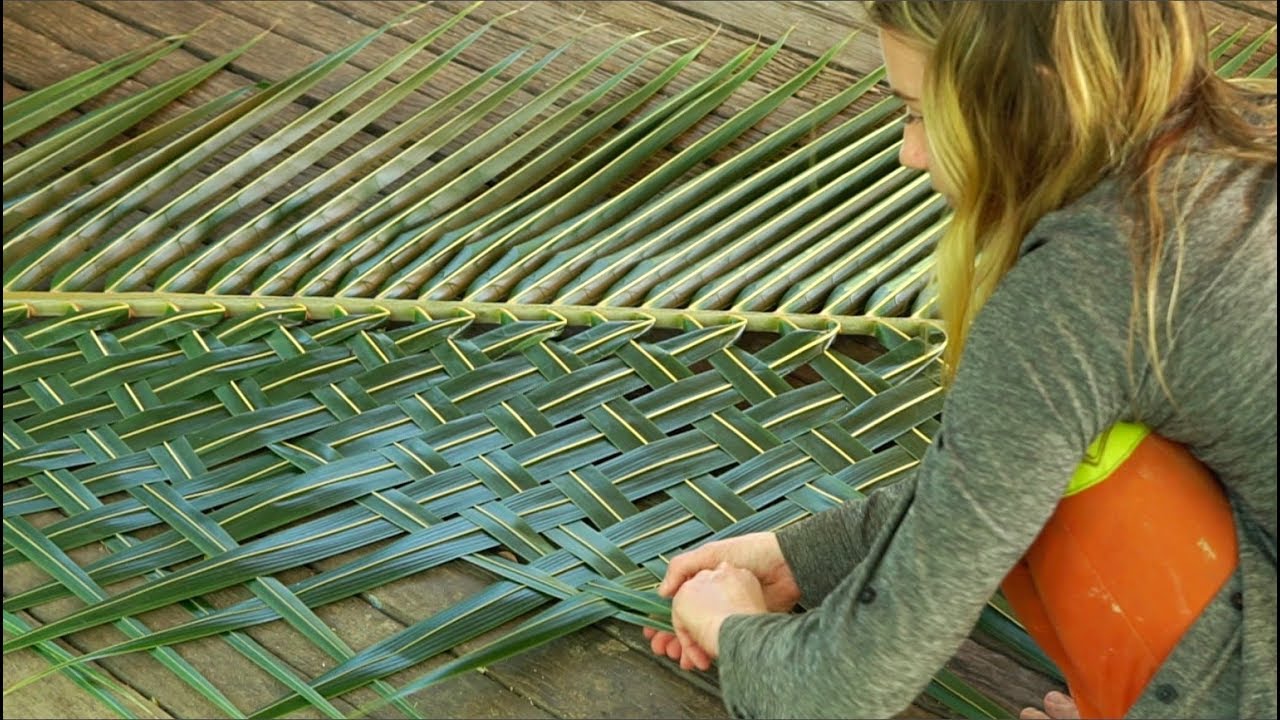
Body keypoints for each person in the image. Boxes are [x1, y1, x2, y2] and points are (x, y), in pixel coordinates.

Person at [642, 2, 1277, 718]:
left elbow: (837, 691)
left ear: (1033, 97)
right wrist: (802, 558)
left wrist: (729, 627)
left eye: (919, 114)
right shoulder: (1240, 143)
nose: (908, 153)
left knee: (1099, 475)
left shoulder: (1090, 280)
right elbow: (1001, 470)